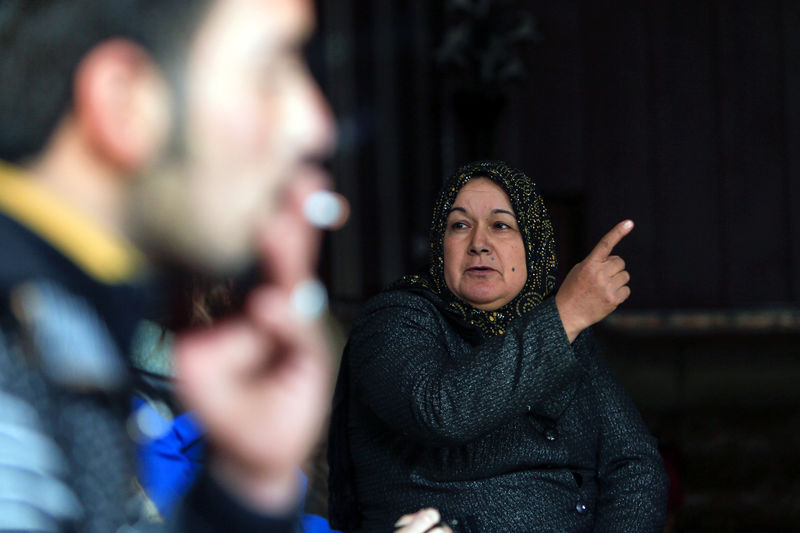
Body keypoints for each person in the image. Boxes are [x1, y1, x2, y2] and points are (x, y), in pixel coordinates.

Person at [0, 1, 448, 532]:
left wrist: (244, 488)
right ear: (125, 102)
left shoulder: (61, 336)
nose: (315, 125)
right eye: (270, 71)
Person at [328, 160, 669, 532]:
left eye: (501, 225)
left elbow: (635, 464)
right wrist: (566, 315)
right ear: (440, 245)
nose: (478, 244)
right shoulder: (394, 319)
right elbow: (440, 410)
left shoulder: (562, 327)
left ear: (533, 246)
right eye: (459, 225)